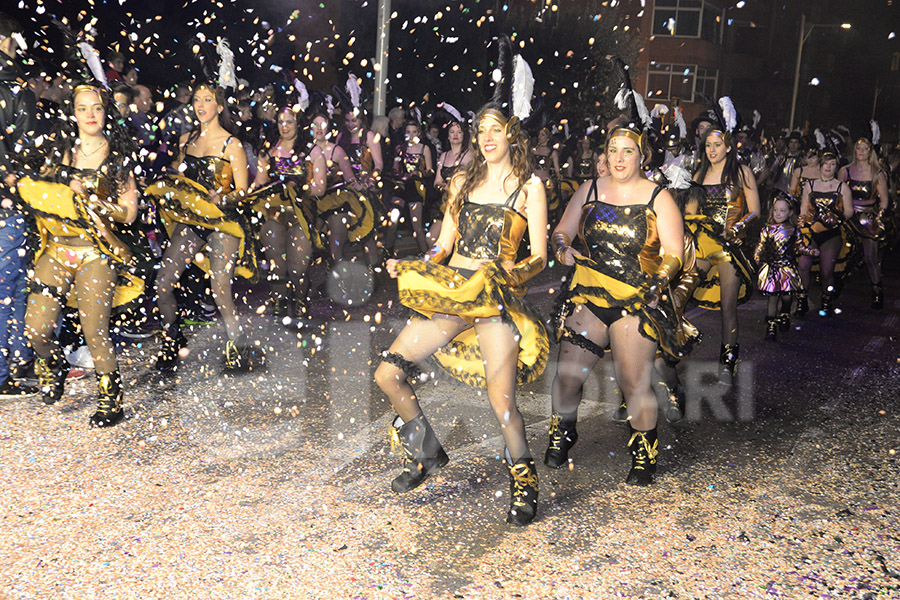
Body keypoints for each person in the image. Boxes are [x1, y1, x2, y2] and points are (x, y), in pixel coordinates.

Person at [375, 104, 548, 526]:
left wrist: (511, 271)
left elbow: (540, 257)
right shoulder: (461, 181)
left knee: (502, 401)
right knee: (387, 373)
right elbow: (444, 245)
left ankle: (525, 481)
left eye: (495, 130)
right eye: (481, 130)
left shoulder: (529, 186)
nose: (487, 138)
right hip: (456, 292)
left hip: (495, 301)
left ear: (511, 135)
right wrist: (418, 262)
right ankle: (426, 453)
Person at [547, 124, 691, 485]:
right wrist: (562, 248)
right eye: (613, 150)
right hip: (590, 292)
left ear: (643, 157)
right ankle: (563, 431)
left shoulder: (659, 197)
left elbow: (674, 253)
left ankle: (644, 451)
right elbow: (561, 231)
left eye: (628, 151)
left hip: (637, 298)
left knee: (633, 381)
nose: (619, 158)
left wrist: (659, 281)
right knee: (567, 376)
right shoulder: (589, 189)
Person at [18, 83, 144, 426]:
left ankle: (110, 397)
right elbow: (39, 192)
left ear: (106, 113)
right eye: (82, 108)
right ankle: (55, 363)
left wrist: (94, 201)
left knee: (94, 331)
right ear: (72, 113)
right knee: (36, 329)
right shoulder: (60, 151)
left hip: (95, 254)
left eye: (97, 108)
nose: (90, 115)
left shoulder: (117, 158)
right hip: (57, 250)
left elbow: (129, 214)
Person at [146, 82, 260, 372]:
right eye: (197, 99)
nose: (200, 105)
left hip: (224, 220)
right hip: (194, 220)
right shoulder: (187, 140)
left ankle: (237, 344)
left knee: (220, 287)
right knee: (163, 282)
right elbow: (181, 180)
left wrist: (225, 196)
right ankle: (172, 338)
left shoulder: (231, 144)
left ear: (219, 107)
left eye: (207, 100)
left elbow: (244, 191)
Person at [687, 104, 760, 386]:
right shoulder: (698, 175)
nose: (712, 150)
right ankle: (672, 348)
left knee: (728, 306)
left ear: (728, 147)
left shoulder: (741, 172)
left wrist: (739, 226)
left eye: (717, 145)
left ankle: (729, 358)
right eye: (708, 145)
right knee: (682, 290)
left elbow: (754, 210)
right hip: (705, 244)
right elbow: (690, 214)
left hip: (730, 248)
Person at [251, 105, 325, 321]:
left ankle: (301, 298)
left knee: (297, 267)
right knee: (276, 262)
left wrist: (298, 189)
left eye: (289, 121)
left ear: (298, 123)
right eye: (281, 122)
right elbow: (259, 183)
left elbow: (319, 187)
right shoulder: (268, 150)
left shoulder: (313, 151)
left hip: (302, 213)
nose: (284, 126)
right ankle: (279, 299)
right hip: (274, 212)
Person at [0, 13, 37, 398]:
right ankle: (5, 370)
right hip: (8, 204)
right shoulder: (15, 89)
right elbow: (25, 156)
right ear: (10, 40)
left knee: (12, 285)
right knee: (9, 286)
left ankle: (18, 358)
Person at [309, 112, 377, 266]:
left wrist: (365, 187)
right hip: (313, 204)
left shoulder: (337, 151)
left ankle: (346, 282)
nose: (319, 128)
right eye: (315, 125)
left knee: (335, 250)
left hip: (337, 202)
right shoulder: (303, 151)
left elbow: (350, 179)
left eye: (323, 125)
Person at [797, 150, 854, 317]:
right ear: (820, 165)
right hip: (812, 231)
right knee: (803, 264)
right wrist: (804, 224)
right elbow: (803, 210)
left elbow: (849, 211)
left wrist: (834, 218)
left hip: (831, 233)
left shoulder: (842, 187)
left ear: (836, 167)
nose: (828, 167)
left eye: (833, 164)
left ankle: (827, 299)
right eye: (826, 164)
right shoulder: (810, 185)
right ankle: (802, 301)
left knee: (827, 270)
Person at [755, 194, 817, 340]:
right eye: (775, 210)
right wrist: (757, 258)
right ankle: (771, 326)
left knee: (787, 296)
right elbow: (760, 246)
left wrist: (811, 251)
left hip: (787, 269)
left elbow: (800, 247)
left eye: (782, 211)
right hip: (771, 268)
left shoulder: (794, 231)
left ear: (790, 213)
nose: (778, 213)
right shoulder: (767, 230)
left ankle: (785, 315)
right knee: (772, 297)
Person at [838, 135, 890, 309]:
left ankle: (877, 291)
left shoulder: (877, 172)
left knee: (870, 256)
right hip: (848, 215)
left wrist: (878, 218)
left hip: (868, 216)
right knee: (842, 252)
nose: (861, 152)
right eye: (858, 149)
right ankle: (833, 288)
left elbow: (884, 200)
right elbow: (837, 194)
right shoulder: (845, 171)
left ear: (870, 151)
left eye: (865, 149)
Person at [387, 120, 434, 254]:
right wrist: (396, 173)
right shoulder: (399, 149)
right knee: (392, 220)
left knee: (416, 226)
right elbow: (395, 168)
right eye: (408, 132)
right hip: (401, 186)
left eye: (414, 132)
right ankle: (387, 252)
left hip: (416, 187)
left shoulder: (424, 148)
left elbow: (430, 170)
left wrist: (418, 173)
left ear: (419, 133)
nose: (411, 135)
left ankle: (426, 256)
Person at [430, 119, 473, 247]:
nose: (455, 135)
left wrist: (456, 187)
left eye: (459, 132)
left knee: (458, 243)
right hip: (445, 202)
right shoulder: (444, 156)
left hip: (463, 203)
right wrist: (443, 186)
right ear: (448, 136)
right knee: (432, 239)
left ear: (464, 135)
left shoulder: (470, 155)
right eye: (452, 132)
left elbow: (474, 180)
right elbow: (437, 181)